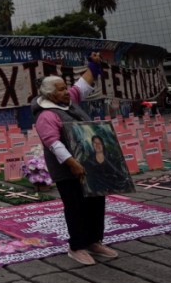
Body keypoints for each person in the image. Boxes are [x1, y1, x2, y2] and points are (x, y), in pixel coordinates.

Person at [32, 52, 117, 266]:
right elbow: (54, 144)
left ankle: (94, 241)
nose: (67, 91)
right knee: (75, 206)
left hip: (89, 166)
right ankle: (77, 246)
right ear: (51, 95)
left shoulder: (68, 101)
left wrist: (94, 65)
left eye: (65, 87)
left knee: (96, 202)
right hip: (68, 171)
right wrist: (73, 164)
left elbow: (83, 84)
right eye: (61, 89)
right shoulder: (46, 115)